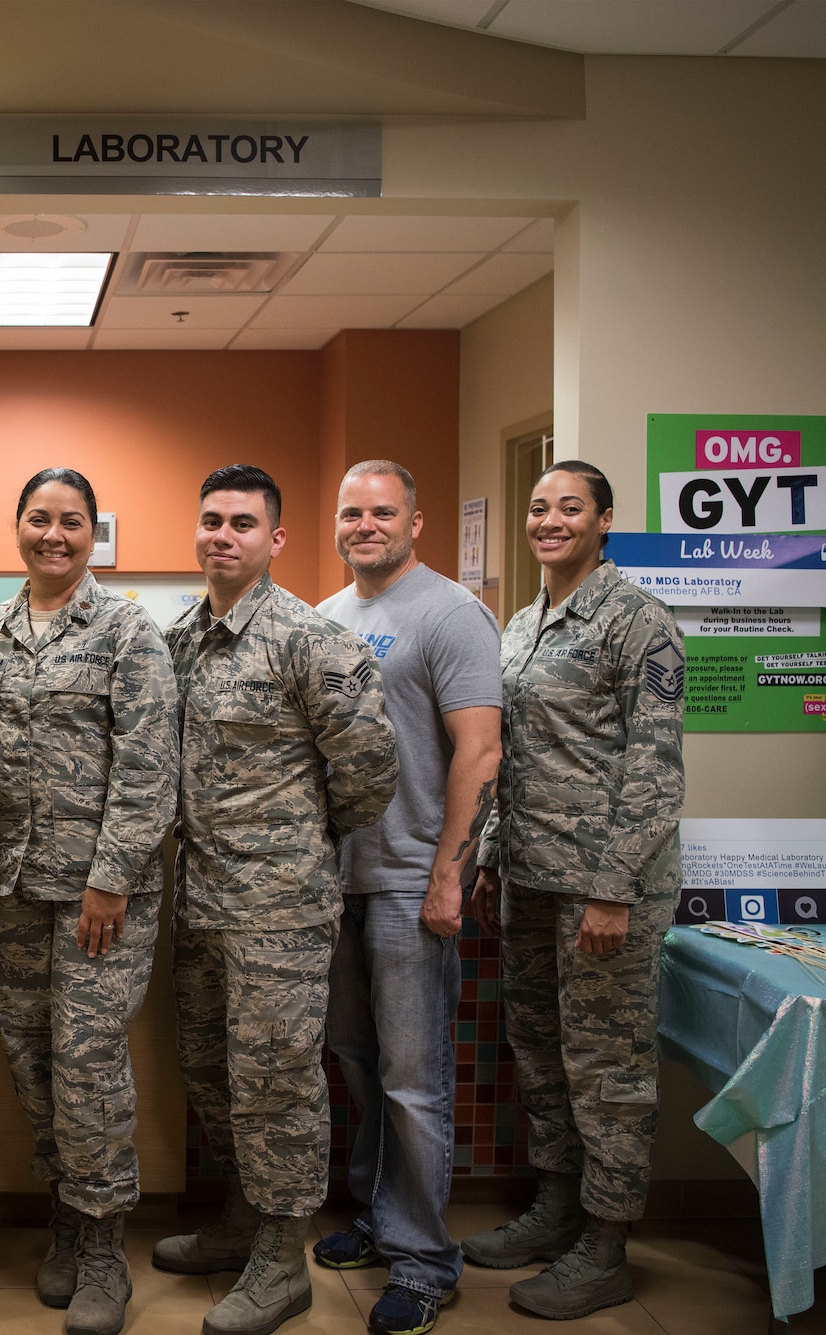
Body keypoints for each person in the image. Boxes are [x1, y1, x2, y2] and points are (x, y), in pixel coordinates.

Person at [154, 465, 398, 1335]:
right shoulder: (180, 638)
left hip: (280, 912)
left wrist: (296, 842)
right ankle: (239, 1219)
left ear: (275, 539)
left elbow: (370, 772)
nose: (224, 535)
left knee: (277, 1083)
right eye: (212, 519)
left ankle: (282, 1258)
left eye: (243, 523)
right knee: (210, 1073)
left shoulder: (310, 639)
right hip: (201, 904)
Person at [463, 460, 684, 1321]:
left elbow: (655, 769)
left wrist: (614, 890)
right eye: (538, 508)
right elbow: (505, 755)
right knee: (543, 1055)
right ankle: (556, 1207)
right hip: (530, 877)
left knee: (608, 1068)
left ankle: (605, 1243)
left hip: (604, 890)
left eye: (569, 508)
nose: (549, 521)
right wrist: (488, 856)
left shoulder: (638, 622)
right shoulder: (524, 623)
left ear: (605, 520)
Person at [0, 469, 179, 1335]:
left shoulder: (129, 629)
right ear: (17, 525)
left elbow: (149, 764)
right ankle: (65, 1209)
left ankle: (103, 1243)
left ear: (95, 532)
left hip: (99, 896)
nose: (53, 534)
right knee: (31, 1058)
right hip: (10, 886)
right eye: (38, 519)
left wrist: (111, 876)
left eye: (71, 522)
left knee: (89, 1066)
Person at [314, 461, 502, 1335]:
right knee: (355, 1058)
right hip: (337, 880)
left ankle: (426, 1259)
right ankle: (383, 1217)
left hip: (407, 878)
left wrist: (446, 873)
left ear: (416, 522)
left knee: (414, 1077)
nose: (365, 524)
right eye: (352, 512)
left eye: (382, 511)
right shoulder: (326, 616)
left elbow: (480, 750)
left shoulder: (450, 612)